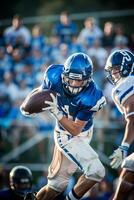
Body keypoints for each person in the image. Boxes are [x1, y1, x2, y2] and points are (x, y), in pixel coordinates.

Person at [21, 52, 106, 200]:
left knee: (55, 187)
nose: (73, 84)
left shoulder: (92, 96)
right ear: (64, 74)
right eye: (70, 79)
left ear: (87, 80)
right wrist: (27, 105)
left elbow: (76, 129)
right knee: (96, 171)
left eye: (78, 81)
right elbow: (41, 92)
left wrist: (57, 113)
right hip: (64, 136)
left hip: (80, 131)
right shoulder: (54, 75)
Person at [104, 49, 134, 200]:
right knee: (128, 169)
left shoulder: (127, 84)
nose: (113, 74)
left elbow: (132, 120)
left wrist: (124, 147)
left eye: (116, 69)